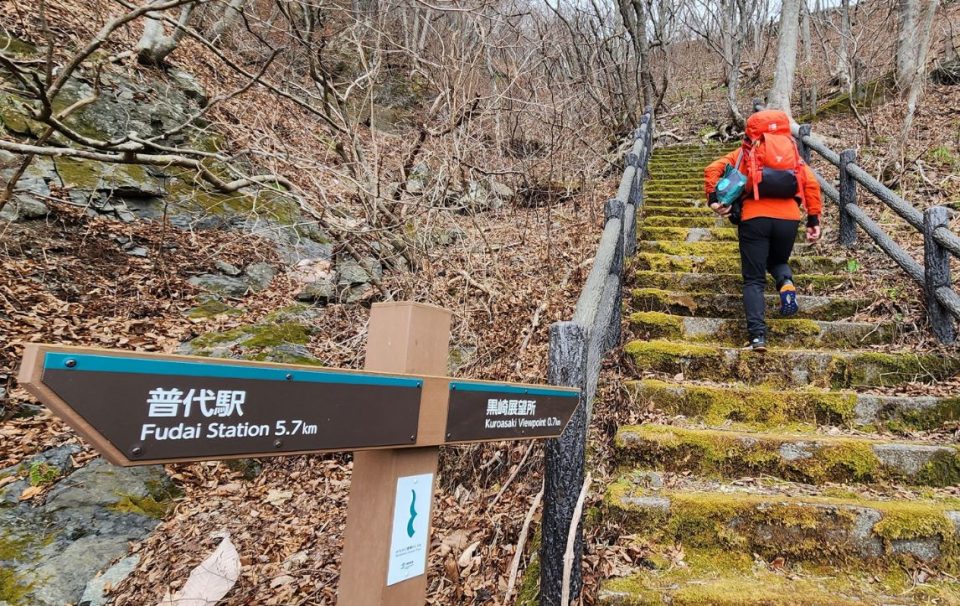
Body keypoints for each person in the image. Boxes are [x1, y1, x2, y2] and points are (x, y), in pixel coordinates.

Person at [704, 109, 823, 351]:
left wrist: (713, 199)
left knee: (754, 279)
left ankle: (757, 337)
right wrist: (813, 219)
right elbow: (811, 184)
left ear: (751, 132)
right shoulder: (793, 154)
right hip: (789, 219)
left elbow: (712, 169)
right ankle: (785, 283)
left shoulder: (745, 152)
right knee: (778, 261)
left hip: (755, 218)